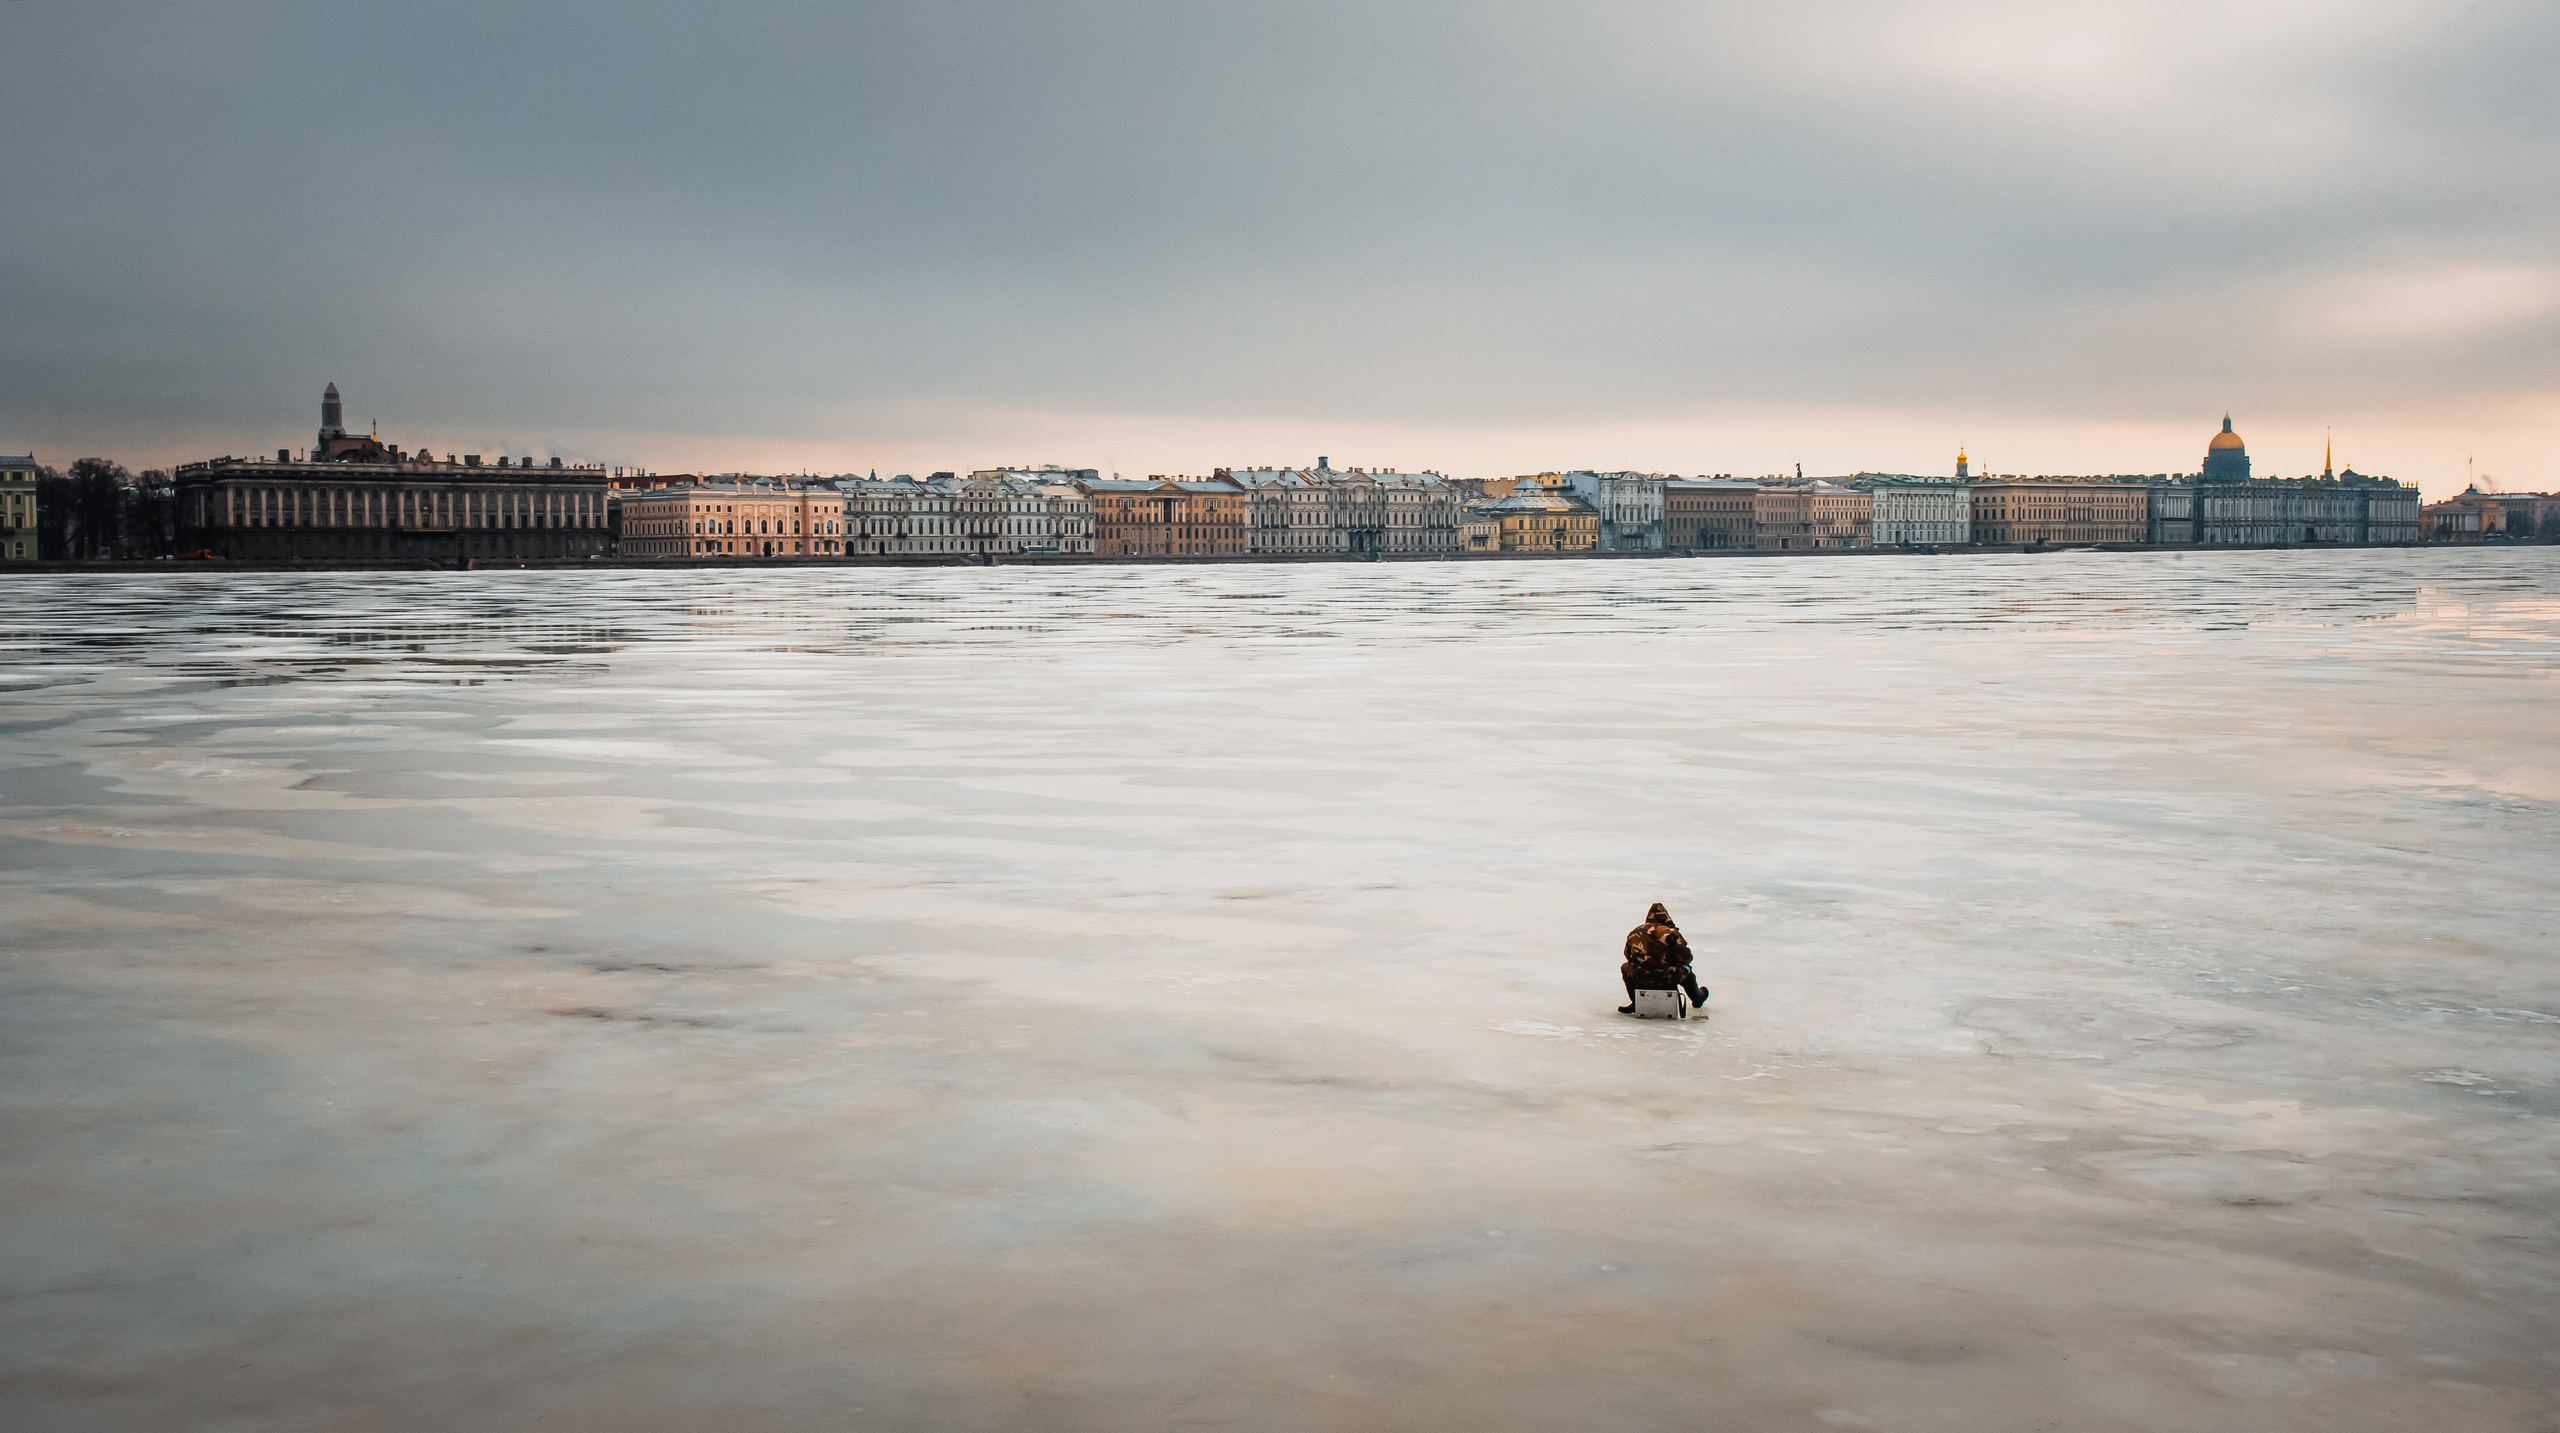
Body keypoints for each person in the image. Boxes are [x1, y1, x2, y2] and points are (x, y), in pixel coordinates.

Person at [1619, 901, 1707, 1013]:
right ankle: (1697, 998)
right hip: (1668, 977)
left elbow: (1628, 955)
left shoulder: (1635, 932)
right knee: (1687, 973)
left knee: (1625, 967)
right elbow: (1686, 958)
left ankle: (1635, 1001)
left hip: (1642, 977)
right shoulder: (1671, 933)